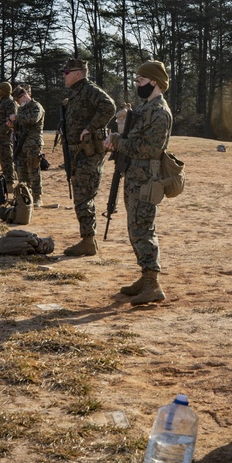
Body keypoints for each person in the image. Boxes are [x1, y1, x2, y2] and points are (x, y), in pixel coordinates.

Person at [103, 60, 173, 305]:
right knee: (135, 228)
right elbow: (131, 137)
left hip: (146, 179)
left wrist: (119, 142)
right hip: (134, 176)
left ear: (154, 81)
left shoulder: (160, 112)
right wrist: (119, 131)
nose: (137, 85)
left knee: (143, 228)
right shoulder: (145, 109)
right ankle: (145, 277)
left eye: (141, 81)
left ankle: (153, 283)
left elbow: (149, 148)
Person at [60, 59, 117, 257]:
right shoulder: (76, 92)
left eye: (66, 71)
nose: (63, 75)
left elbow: (109, 106)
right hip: (78, 153)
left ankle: (88, 241)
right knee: (81, 196)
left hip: (89, 152)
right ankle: (87, 238)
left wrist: (90, 128)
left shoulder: (88, 89)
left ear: (78, 73)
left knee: (84, 196)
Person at [10, 85, 45, 208]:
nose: (18, 104)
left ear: (24, 96)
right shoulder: (21, 109)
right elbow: (20, 125)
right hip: (21, 144)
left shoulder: (36, 107)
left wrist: (17, 117)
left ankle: (37, 197)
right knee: (21, 171)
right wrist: (13, 125)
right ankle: (25, 195)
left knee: (33, 171)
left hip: (33, 144)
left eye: (18, 101)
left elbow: (33, 119)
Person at [0, 82, 18, 192]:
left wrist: (3, 130)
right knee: (3, 158)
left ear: (4, 91)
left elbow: (11, 119)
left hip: (6, 136)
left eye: (0, 89)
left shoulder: (9, 102)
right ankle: (6, 178)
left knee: (7, 158)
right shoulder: (1, 102)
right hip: (0, 135)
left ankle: (10, 183)